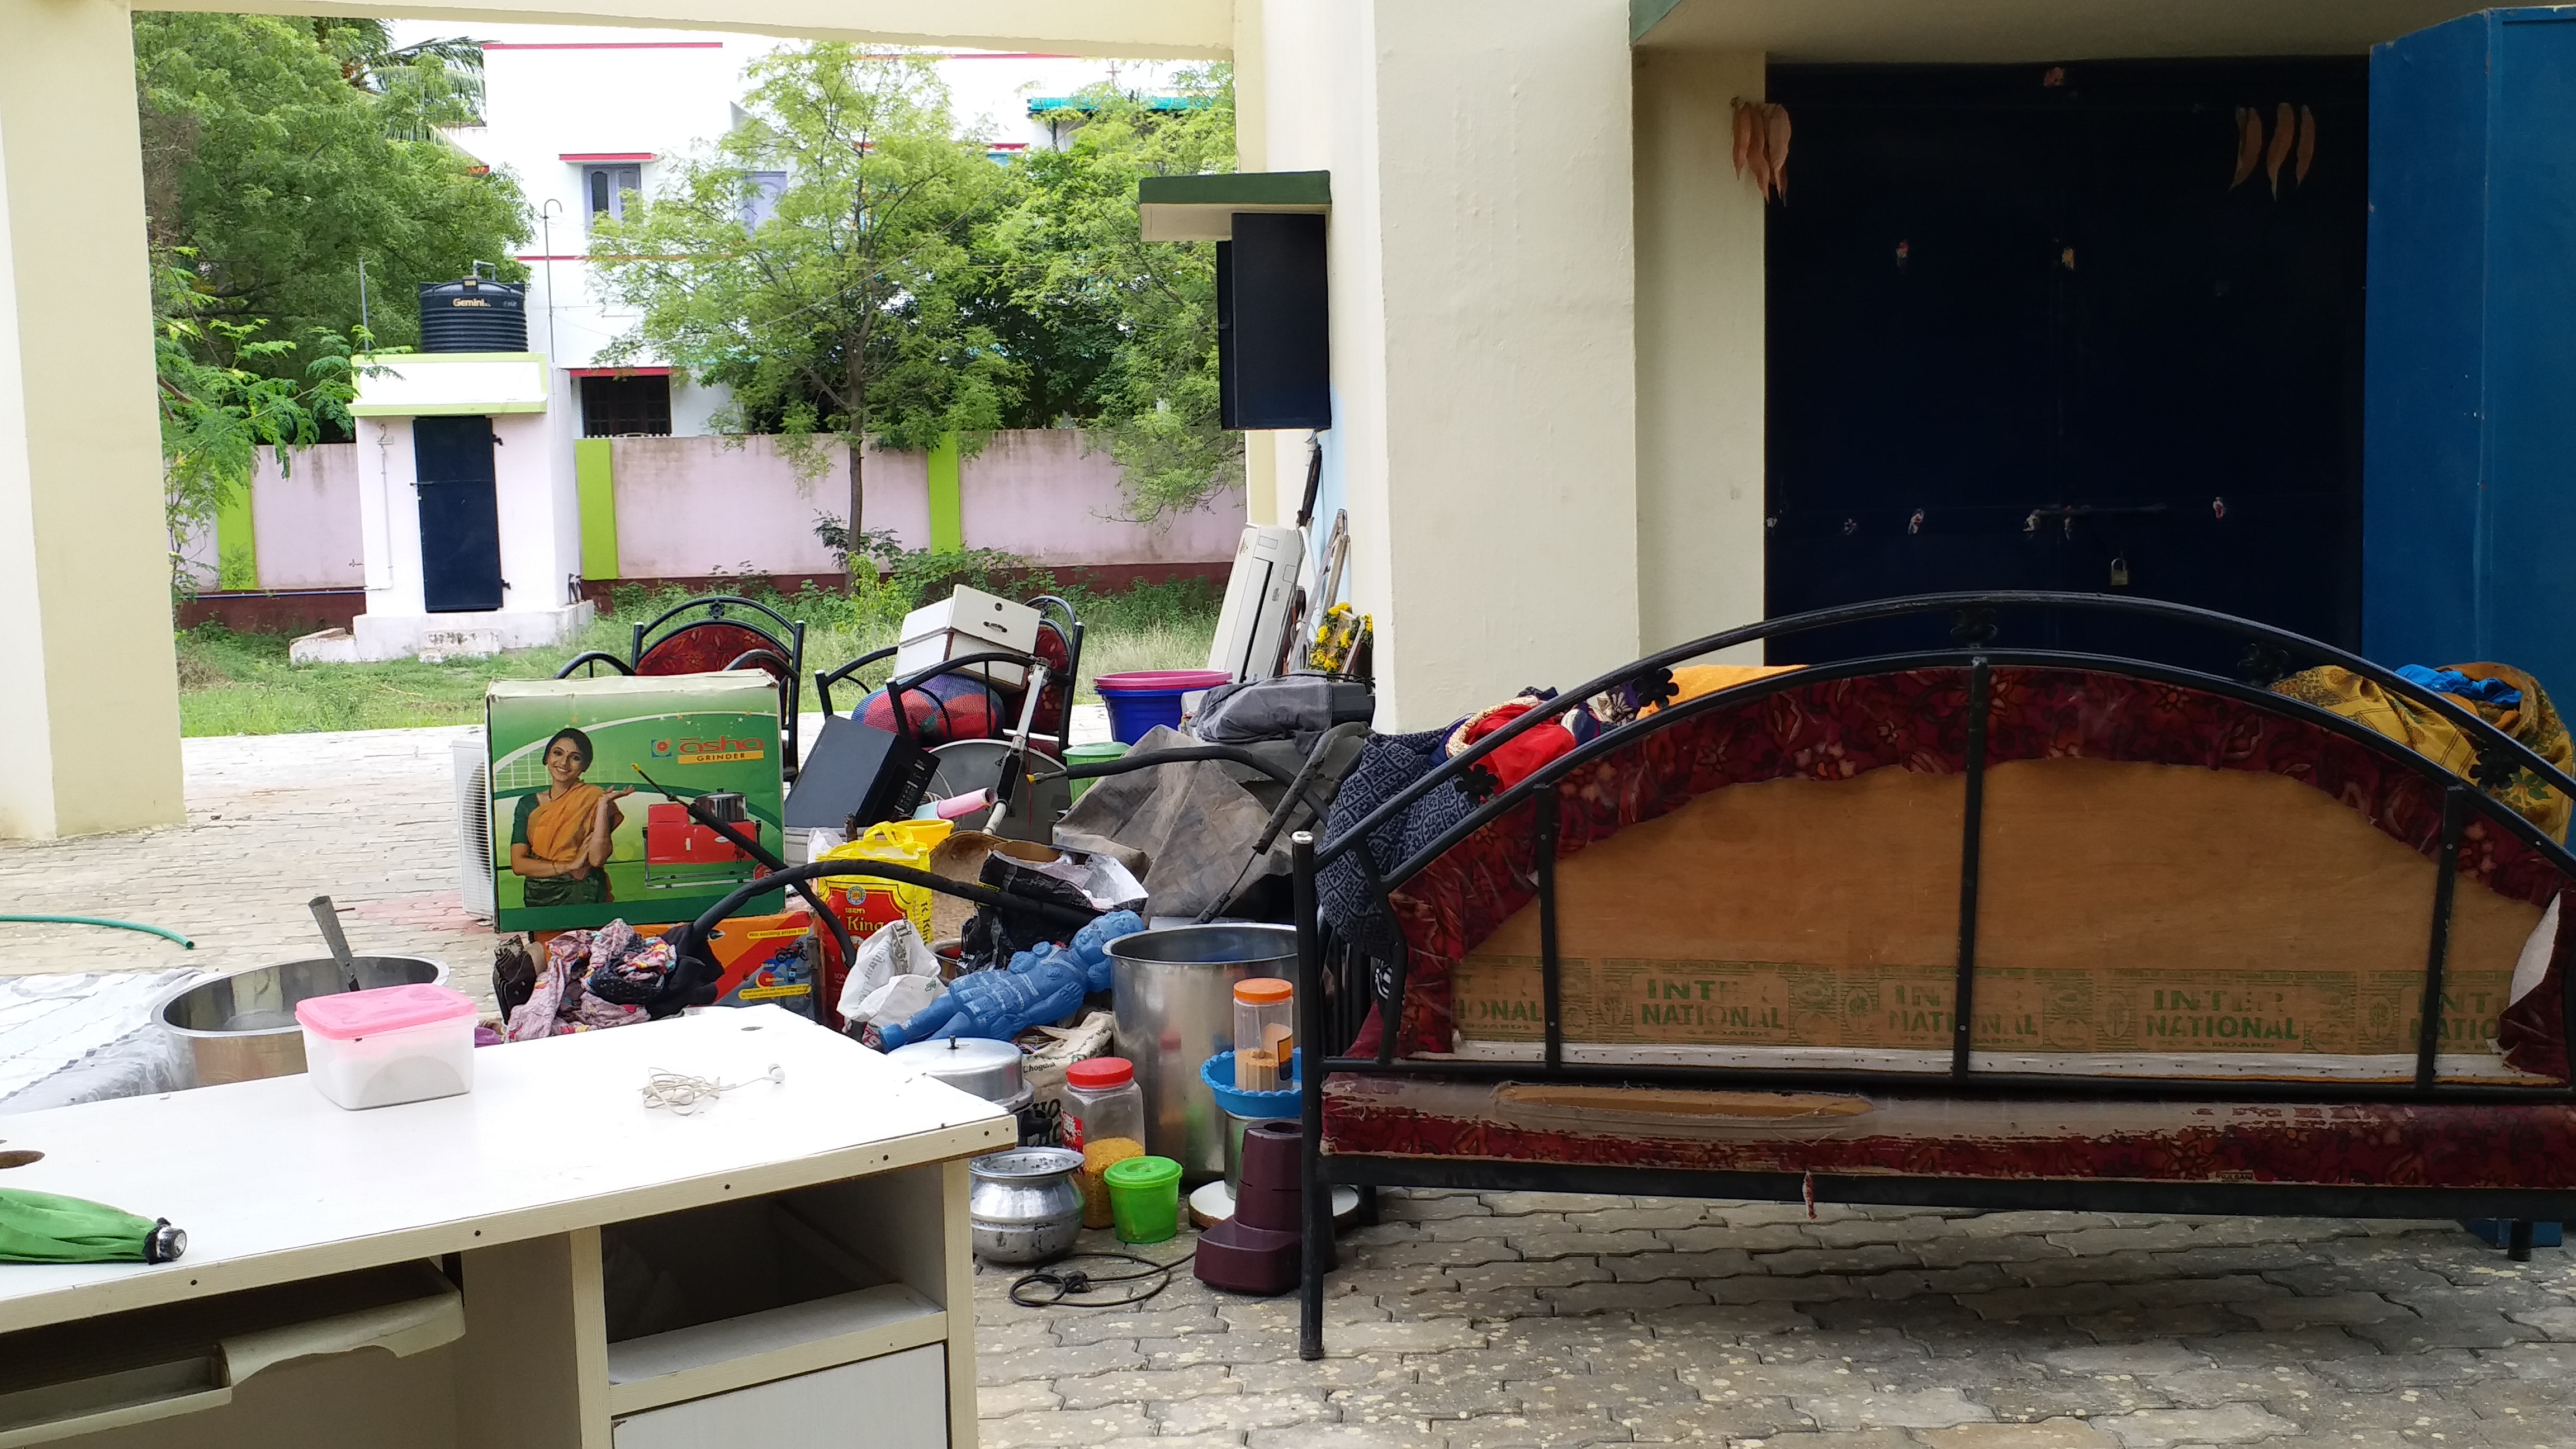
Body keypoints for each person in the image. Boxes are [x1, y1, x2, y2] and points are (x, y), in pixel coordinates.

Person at [508, 727, 632, 907]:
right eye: (558, 753)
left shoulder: (594, 798)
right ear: (547, 758)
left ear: (585, 766)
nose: (564, 763)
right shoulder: (527, 804)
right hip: (540, 894)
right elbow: (519, 865)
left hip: (585, 894)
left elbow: (597, 859)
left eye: (575, 758)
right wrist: (568, 866)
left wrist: (604, 805)